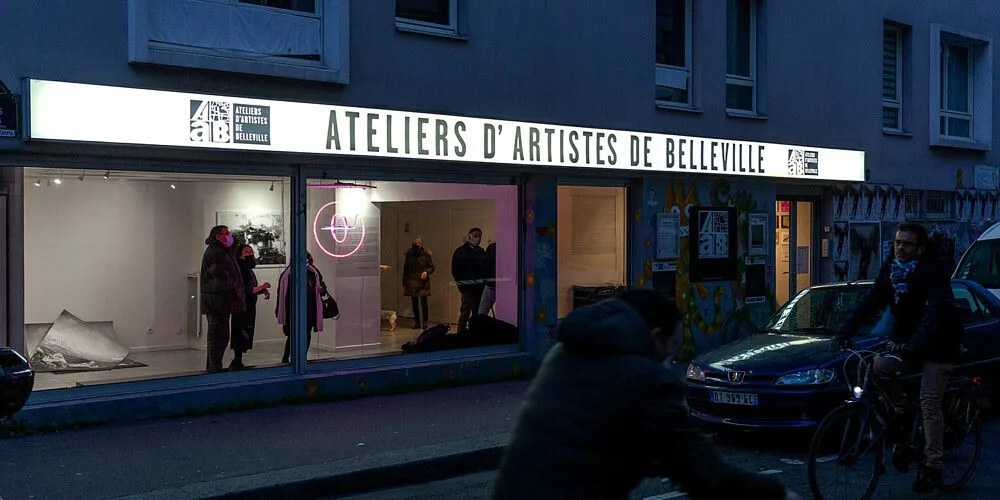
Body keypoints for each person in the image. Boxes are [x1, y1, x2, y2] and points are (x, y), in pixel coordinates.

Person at [492, 289, 801, 500]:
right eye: (673, 344)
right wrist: (777, 494)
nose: (671, 355)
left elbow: (601, 436)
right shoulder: (646, 380)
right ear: (655, 337)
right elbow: (703, 475)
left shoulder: (566, 353)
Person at [832, 221, 964, 493]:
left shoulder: (933, 271)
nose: (900, 248)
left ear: (920, 248)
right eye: (897, 243)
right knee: (876, 369)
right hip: (908, 343)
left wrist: (915, 343)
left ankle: (933, 467)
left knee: (929, 401)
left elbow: (936, 313)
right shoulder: (892, 270)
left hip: (939, 345)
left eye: (907, 244)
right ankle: (904, 410)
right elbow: (871, 302)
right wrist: (845, 332)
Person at [199, 225, 245, 373]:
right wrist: (234, 292)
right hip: (218, 303)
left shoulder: (222, 252)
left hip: (219, 302)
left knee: (218, 337)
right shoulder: (216, 253)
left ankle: (213, 368)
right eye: (226, 233)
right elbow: (221, 278)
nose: (229, 236)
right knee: (218, 338)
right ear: (218, 236)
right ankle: (215, 369)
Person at [275, 251, 326, 364]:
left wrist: (320, 289)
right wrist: (278, 309)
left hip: (310, 309)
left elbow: (322, 287)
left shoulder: (314, 272)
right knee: (293, 334)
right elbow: (281, 294)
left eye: (307, 259)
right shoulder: (288, 274)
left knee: (306, 333)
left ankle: (303, 357)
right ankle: (286, 357)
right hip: (293, 309)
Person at [229, 244, 271, 370]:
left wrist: (262, 290)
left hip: (247, 305)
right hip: (243, 306)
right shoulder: (241, 267)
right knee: (241, 331)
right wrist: (263, 287)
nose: (249, 253)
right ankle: (237, 360)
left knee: (243, 331)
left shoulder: (244, 267)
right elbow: (245, 289)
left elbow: (250, 288)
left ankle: (238, 360)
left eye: (250, 251)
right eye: (246, 251)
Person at [451, 227, 486, 333]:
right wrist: (462, 286)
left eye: (479, 236)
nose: (477, 238)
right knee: (465, 313)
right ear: (469, 236)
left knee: (477, 313)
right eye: (475, 236)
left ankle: (474, 333)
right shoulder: (461, 252)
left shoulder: (481, 252)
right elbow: (456, 271)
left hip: (479, 288)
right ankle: (461, 334)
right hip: (467, 288)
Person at [402, 237, 435, 330]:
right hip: (412, 280)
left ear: (422, 245)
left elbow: (432, 267)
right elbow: (406, 268)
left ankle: (425, 322)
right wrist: (404, 281)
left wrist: (426, 272)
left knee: (424, 303)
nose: (416, 245)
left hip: (423, 281)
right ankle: (417, 322)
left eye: (418, 244)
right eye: (415, 243)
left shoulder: (426, 254)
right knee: (414, 303)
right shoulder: (410, 254)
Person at [477, 240, 497, 315]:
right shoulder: (511, 247)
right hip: (502, 285)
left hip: (491, 284)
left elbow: (484, 265)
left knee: (482, 312)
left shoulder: (492, 247)